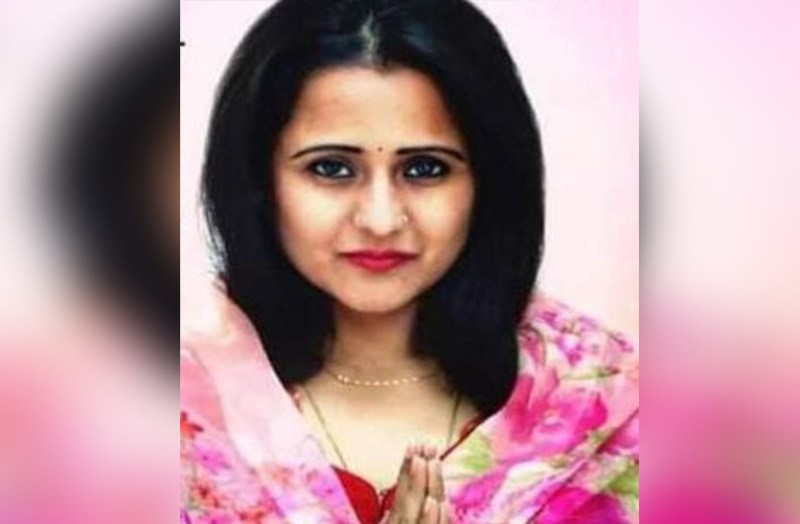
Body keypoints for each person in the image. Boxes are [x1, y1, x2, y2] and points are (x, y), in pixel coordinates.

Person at [180, 0, 639, 522]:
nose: (380, 219)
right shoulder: (159, 409)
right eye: (331, 168)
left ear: (488, 185)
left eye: (424, 168)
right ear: (260, 182)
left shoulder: (609, 409)